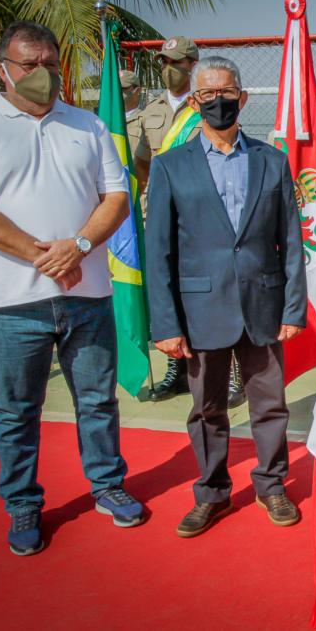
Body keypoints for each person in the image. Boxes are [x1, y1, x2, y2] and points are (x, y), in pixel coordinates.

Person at [0, 21, 145, 556]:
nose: (41, 74)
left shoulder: (87, 126)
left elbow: (116, 198)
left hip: (88, 293)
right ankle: (24, 505)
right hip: (12, 304)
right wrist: (45, 256)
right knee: (15, 412)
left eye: (50, 64)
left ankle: (107, 486)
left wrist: (77, 247)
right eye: (29, 64)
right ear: (2, 69)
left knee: (98, 402)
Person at [145, 56, 307, 537]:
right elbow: (159, 253)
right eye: (208, 94)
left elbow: (292, 241)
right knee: (207, 408)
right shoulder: (170, 167)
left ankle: (271, 485)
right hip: (200, 313)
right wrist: (166, 324)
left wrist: (294, 307)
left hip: (263, 306)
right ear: (194, 102)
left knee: (270, 405)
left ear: (243, 96)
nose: (219, 101)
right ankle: (212, 492)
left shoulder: (271, 161)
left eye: (227, 92)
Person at [131, 35, 202, 402]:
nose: (168, 69)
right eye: (164, 62)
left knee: (204, 290)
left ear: (192, 64)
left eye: (176, 62)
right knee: (166, 291)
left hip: (197, 216)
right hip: (159, 213)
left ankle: (224, 369)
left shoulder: (204, 106)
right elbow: (143, 160)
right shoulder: (151, 111)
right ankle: (176, 369)